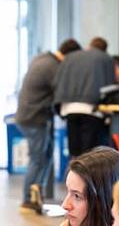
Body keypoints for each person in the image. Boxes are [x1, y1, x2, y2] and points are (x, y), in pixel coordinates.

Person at [16, 38, 81, 213]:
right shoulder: (53, 67)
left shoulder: (43, 59)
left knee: (45, 156)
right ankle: (28, 200)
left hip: (28, 116)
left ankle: (36, 194)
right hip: (34, 118)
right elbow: (62, 91)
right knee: (38, 158)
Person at [53, 37, 115, 157]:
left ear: (90, 45)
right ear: (104, 49)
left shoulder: (70, 57)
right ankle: (85, 175)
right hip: (91, 109)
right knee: (88, 155)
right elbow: (110, 87)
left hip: (68, 108)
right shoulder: (105, 58)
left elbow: (57, 82)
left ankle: (72, 175)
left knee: (74, 153)